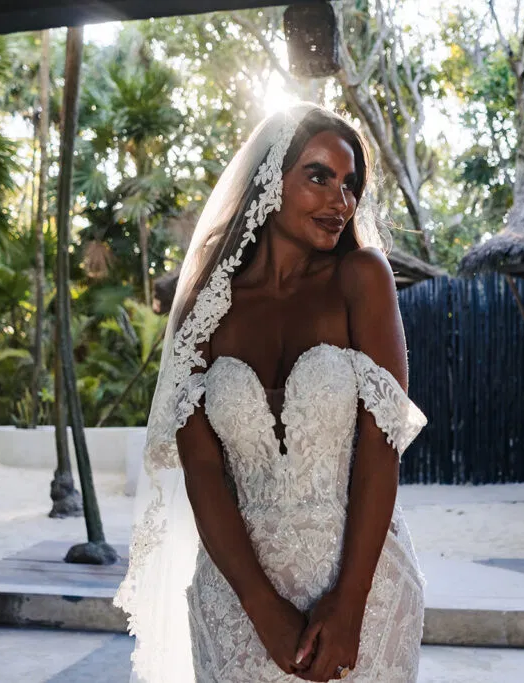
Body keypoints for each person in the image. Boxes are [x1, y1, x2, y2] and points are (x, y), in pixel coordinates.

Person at [115, 103, 428, 683]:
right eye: (319, 177)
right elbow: (202, 470)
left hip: (365, 590)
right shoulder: (206, 306)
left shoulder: (361, 277)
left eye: (350, 183)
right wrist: (261, 610)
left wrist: (350, 603)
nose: (341, 201)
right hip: (236, 600)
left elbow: (381, 449)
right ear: (268, 179)